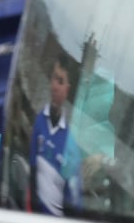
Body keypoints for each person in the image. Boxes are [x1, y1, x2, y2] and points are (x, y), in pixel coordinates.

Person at [29, 52, 81, 216]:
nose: (54, 86)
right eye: (53, 78)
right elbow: (32, 170)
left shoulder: (70, 141)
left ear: (68, 89)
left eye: (60, 81)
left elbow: (72, 198)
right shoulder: (39, 121)